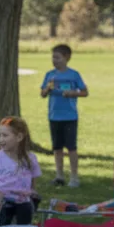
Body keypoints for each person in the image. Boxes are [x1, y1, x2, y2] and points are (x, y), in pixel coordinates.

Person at [40, 43, 87, 187]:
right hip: (54, 116)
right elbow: (42, 94)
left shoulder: (74, 75)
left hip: (70, 117)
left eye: (57, 57)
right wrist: (48, 87)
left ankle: (74, 177)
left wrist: (73, 93)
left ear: (67, 57)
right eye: (53, 57)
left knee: (71, 147)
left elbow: (85, 92)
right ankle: (59, 175)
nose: (54, 60)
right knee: (57, 147)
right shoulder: (50, 75)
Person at [0, 117, 41, 225]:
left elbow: (33, 183)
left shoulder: (30, 158)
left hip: (23, 201)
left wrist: (32, 194)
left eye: (5, 135)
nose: (1, 139)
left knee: (24, 224)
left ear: (19, 137)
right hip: (2, 201)